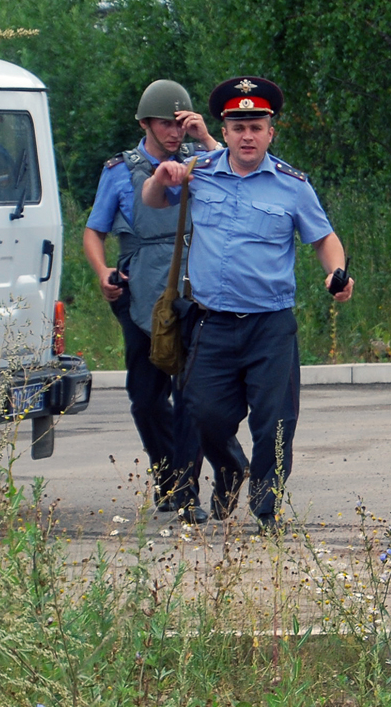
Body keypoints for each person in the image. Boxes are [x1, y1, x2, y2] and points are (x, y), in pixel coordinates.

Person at [141, 75, 354, 533]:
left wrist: (336, 273)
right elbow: (154, 200)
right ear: (225, 129)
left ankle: (266, 507)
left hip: (270, 325)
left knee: (275, 421)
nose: (247, 136)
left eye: (256, 126)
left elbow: (325, 239)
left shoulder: (291, 185)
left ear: (270, 131)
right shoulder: (198, 171)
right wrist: (161, 176)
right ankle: (232, 467)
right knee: (201, 412)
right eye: (238, 127)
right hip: (212, 323)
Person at [83, 79, 243, 524]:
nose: (173, 133)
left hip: (194, 287)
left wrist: (205, 137)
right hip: (140, 290)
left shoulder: (202, 161)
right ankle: (169, 475)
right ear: (144, 124)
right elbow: (94, 230)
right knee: (146, 396)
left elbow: (237, 182)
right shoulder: (120, 169)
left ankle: (187, 490)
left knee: (190, 393)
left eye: (179, 124)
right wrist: (102, 274)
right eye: (164, 124)